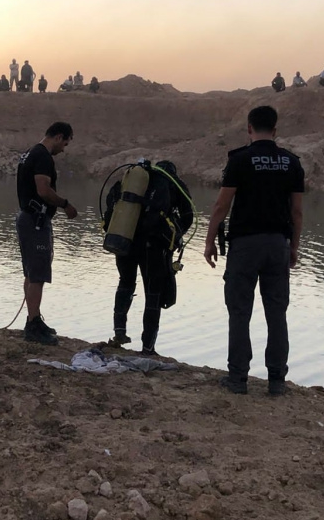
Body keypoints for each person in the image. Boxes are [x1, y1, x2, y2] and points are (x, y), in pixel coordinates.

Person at [203, 105, 304, 396]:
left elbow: (221, 205)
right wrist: (294, 247)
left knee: (239, 312)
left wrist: (209, 242)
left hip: (245, 246)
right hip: (277, 245)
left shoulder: (239, 160)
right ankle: (277, 381)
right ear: (275, 130)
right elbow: (297, 212)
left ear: (249, 128)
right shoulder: (291, 163)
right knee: (277, 313)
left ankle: (238, 378)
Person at [104, 160, 194, 356]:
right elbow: (188, 216)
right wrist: (173, 237)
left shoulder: (133, 179)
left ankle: (119, 332)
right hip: (153, 246)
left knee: (125, 282)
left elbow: (112, 202)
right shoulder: (173, 183)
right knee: (153, 294)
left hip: (125, 239)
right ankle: (148, 347)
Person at [15, 122, 78, 345]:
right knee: (38, 275)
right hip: (35, 221)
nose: (64, 149)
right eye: (65, 143)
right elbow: (43, 190)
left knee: (31, 273)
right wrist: (65, 204)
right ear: (59, 137)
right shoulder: (42, 156)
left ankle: (33, 318)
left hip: (27, 218)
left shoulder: (30, 152)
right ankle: (33, 326)